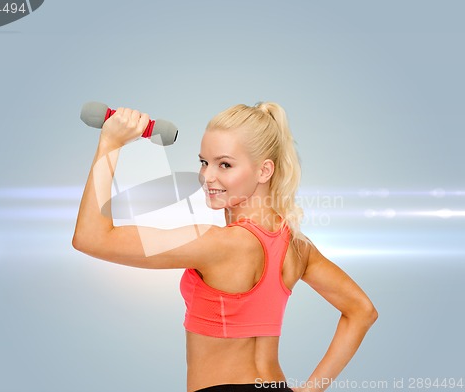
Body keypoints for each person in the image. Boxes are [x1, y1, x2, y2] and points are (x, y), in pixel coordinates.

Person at [73, 102, 378, 392]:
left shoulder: (219, 244)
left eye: (225, 165)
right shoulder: (297, 244)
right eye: (204, 162)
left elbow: (91, 238)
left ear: (264, 171)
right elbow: (361, 311)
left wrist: (110, 144)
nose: (207, 176)